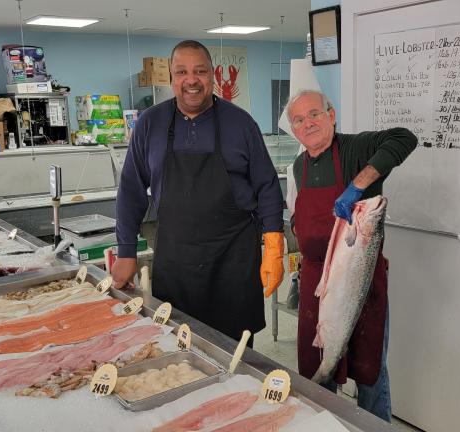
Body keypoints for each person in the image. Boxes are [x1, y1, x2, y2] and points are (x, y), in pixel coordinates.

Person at [112, 40, 285, 345]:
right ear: (171, 79)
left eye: (200, 71)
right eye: (182, 72)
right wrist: (126, 250)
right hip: (176, 261)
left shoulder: (240, 123)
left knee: (236, 356)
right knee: (176, 349)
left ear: (213, 76)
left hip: (233, 261)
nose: (191, 80)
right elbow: (130, 191)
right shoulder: (150, 124)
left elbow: (267, 186)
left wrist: (273, 243)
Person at [287, 89, 417, 422]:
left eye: (315, 114)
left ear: (332, 114)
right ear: (293, 128)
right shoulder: (299, 165)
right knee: (318, 368)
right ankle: (325, 425)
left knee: (369, 370)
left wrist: (358, 185)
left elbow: (404, 138)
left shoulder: (354, 148)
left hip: (359, 280)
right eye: (299, 120)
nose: (308, 124)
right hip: (315, 282)